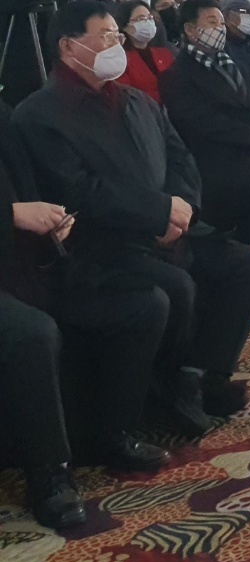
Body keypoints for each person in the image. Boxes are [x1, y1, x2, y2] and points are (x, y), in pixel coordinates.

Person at [14, 0, 250, 439]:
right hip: (103, 242)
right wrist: (157, 214)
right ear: (69, 46)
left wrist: (181, 209)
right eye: (106, 36)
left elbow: (179, 156)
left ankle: (203, 376)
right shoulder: (40, 113)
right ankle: (164, 393)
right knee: (175, 288)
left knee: (248, 266)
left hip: (167, 226)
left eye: (118, 35)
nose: (117, 44)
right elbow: (81, 190)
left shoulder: (135, 100)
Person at [1, 113, 170, 528]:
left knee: (142, 304)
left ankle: (110, 433)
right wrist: (12, 215)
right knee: (31, 333)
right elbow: (16, 209)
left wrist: (50, 228)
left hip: (26, 268)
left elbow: (27, 197)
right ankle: (49, 473)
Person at [161, 0, 250, 273]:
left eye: (221, 22)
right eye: (212, 23)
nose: (220, 28)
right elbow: (202, 121)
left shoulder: (231, 62)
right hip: (216, 157)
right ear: (190, 30)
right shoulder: (178, 74)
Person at [115, 0, 174, 104]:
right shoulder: (120, 60)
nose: (148, 22)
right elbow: (128, 96)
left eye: (150, 18)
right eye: (141, 19)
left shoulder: (165, 54)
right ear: (125, 26)